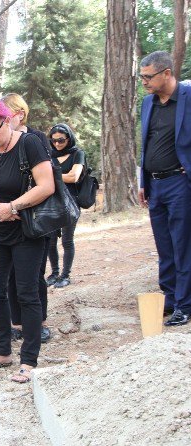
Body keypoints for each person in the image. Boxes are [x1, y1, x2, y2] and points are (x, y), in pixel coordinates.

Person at [0, 98, 54, 383]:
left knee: (27, 292)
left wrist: (13, 206)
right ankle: (2, 351)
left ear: (8, 120)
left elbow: (47, 185)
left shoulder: (30, 143)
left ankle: (29, 360)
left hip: (26, 229)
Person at [139, 50, 191, 326]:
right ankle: (169, 298)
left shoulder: (188, 97)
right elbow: (144, 144)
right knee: (164, 245)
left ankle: (185, 303)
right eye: (142, 77)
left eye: (148, 77)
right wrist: (141, 180)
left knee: (183, 244)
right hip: (154, 184)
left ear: (167, 73)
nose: (144, 82)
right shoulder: (148, 103)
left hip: (180, 183)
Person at [1, 93, 53, 343]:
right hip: (8, 218)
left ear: (19, 114)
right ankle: (18, 323)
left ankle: (40, 322)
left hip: (35, 216)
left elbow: (45, 179)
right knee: (11, 274)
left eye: (5, 114)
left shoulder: (36, 139)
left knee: (34, 273)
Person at [45, 123, 85, 289]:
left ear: (68, 138)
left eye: (61, 140)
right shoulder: (49, 155)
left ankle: (65, 275)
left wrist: (52, 175)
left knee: (67, 240)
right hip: (52, 202)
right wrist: (62, 176)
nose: (57, 144)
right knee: (51, 241)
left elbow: (74, 177)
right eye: (53, 140)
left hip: (71, 202)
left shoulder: (78, 154)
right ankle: (54, 273)